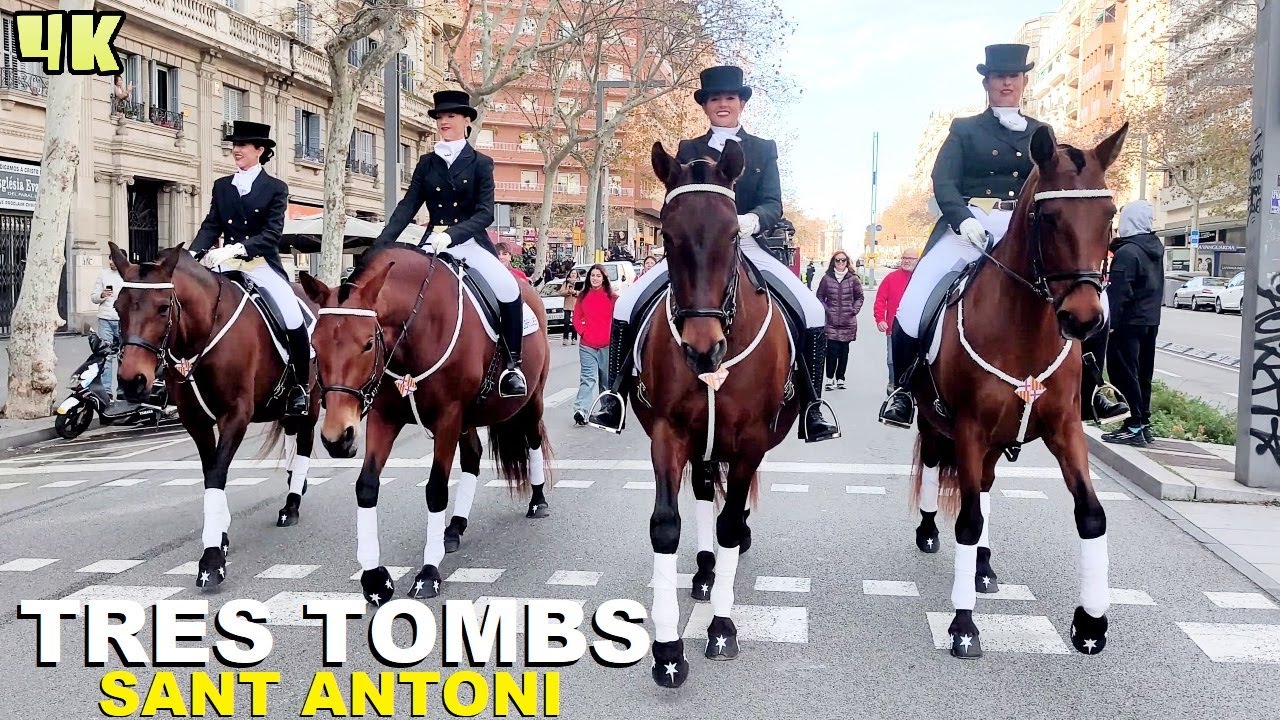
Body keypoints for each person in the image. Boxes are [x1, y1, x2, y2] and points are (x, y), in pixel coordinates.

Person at [588, 65, 840, 443]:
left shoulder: (763, 149)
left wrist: (752, 220)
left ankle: (813, 406)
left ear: (741, 104)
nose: (723, 105)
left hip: (750, 242)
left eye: (730, 99)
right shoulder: (689, 149)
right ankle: (614, 396)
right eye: (715, 99)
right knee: (626, 306)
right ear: (706, 106)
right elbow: (676, 197)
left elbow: (774, 202)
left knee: (813, 310)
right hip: (696, 251)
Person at [880, 44, 1048, 428]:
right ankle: (903, 390)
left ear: (1023, 81)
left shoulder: (1042, 133)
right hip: (970, 223)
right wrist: (961, 218)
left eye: (1014, 75)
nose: (1007, 82)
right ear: (987, 82)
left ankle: (1093, 387)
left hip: (1023, 228)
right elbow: (943, 179)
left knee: (1092, 300)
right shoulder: (965, 129)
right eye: (999, 76)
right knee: (912, 303)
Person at [369, 91, 526, 398]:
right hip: (431, 244)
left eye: (451, 116)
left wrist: (452, 235)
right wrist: (380, 248)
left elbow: (484, 213)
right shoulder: (427, 163)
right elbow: (407, 206)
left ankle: (512, 365)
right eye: (440, 117)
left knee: (509, 289)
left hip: (468, 243)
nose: (444, 122)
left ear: (467, 121)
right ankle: (396, 366)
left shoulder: (481, 163)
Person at [191, 120, 310, 420]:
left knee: (293, 317)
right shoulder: (222, 186)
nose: (236, 151)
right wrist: (192, 255)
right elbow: (211, 225)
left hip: (260, 266)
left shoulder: (275, 188)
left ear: (260, 150)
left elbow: (272, 234)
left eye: (242, 146)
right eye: (234, 146)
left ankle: (299, 387)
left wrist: (237, 248)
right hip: (225, 266)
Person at [1103, 200, 1165, 445]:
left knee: (1123, 373)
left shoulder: (1127, 253)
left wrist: (1109, 323)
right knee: (1142, 373)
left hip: (1126, 323)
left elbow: (1118, 293)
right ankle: (1143, 422)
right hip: (1150, 321)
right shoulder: (1154, 249)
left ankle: (1133, 425)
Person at [572, 265, 615, 426]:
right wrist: (582, 331)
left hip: (607, 345)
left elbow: (618, 321)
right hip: (587, 345)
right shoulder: (583, 297)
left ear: (603, 278)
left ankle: (606, 410)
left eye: (598, 275)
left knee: (605, 380)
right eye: (592, 275)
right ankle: (581, 410)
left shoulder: (612, 298)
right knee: (588, 378)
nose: (595, 278)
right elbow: (576, 318)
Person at [815, 251, 863, 390]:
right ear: (833, 262)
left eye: (843, 260)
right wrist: (827, 310)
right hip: (831, 321)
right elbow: (819, 296)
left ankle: (840, 378)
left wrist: (854, 310)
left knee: (843, 352)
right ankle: (829, 379)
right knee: (831, 351)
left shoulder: (853, 279)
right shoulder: (826, 278)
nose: (841, 263)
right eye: (838, 260)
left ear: (847, 262)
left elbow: (860, 297)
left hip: (848, 321)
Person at [874, 247, 918, 390]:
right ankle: (894, 384)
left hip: (917, 328)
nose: (907, 261)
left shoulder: (921, 279)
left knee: (915, 359)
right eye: (905, 258)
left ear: (917, 260)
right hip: (894, 328)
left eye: (911, 258)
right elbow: (880, 299)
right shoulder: (891, 278)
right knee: (892, 359)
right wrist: (880, 319)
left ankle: (912, 387)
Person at [90, 256, 123, 400]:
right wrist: (102, 295)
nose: (111, 262)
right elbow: (94, 297)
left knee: (124, 356)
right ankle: (107, 391)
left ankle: (122, 390)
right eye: (110, 259)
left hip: (123, 321)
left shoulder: (128, 274)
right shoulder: (103, 274)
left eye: (114, 260)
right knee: (106, 355)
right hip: (105, 319)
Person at [561, 268, 581, 345]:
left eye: (574, 273)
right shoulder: (566, 283)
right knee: (566, 322)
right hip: (567, 305)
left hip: (576, 305)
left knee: (574, 323)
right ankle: (565, 338)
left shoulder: (579, 283)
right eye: (572, 273)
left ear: (577, 275)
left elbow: (582, 292)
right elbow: (561, 292)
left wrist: (575, 292)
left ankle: (574, 338)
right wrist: (568, 292)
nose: (573, 275)